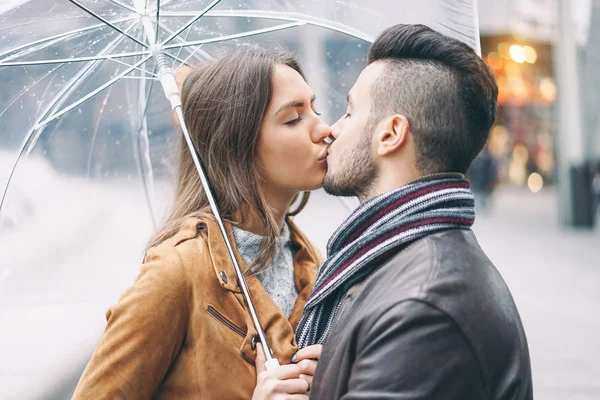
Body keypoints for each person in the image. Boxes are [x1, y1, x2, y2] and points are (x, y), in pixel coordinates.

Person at [72, 50, 330, 399]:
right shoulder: (177, 271)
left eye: (315, 109)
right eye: (293, 119)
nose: (324, 130)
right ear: (237, 143)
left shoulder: (309, 258)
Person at [293, 24, 532, 399]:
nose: (332, 130)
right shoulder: (401, 264)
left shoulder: (423, 309)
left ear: (390, 134)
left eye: (349, 112)